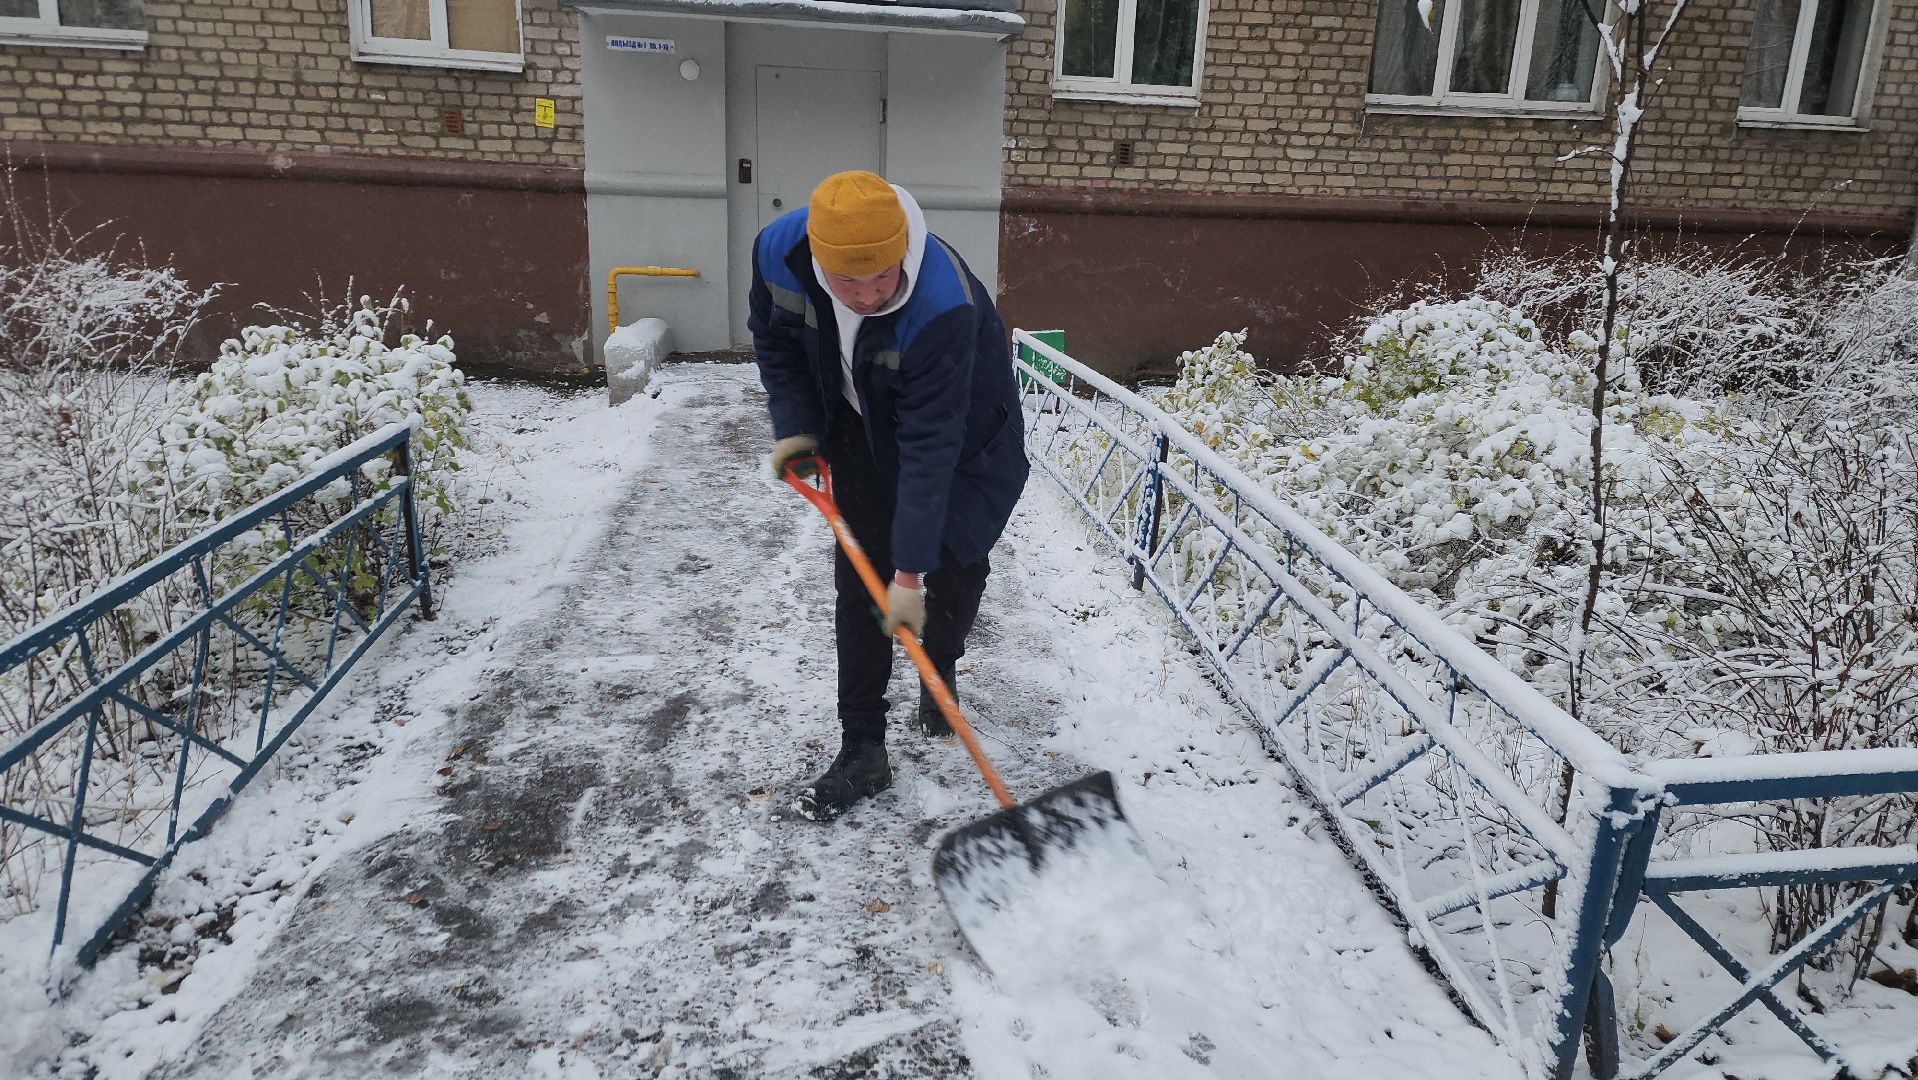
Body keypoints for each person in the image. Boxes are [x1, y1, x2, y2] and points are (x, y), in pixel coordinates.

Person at [750, 170, 1030, 822]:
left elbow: (932, 446)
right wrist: (797, 427)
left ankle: (941, 667)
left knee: (956, 566)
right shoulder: (778, 256)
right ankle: (863, 749)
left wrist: (911, 573)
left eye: (885, 275)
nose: (873, 293)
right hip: (857, 425)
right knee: (862, 585)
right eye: (851, 283)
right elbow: (775, 341)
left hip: (963, 442)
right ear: (819, 262)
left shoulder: (941, 304)